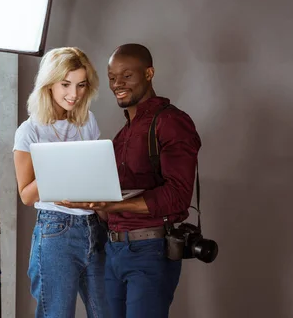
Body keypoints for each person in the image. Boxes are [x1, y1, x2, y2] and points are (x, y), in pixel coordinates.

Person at [59, 43, 202, 318]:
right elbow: (109, 201)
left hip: (151, 251)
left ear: (149, 73)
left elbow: (178, 195)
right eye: (112, 77)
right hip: (113, 251)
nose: (117, 84)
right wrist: (86, 200)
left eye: (127, 76)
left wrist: (111, 205)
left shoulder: (171, 122)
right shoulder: (122, 135)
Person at [13, 46, 109, 318]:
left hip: (94, 227)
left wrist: (107, 211)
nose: (74, 94)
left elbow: (93, 176)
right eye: (65, 84)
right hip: (56, 231)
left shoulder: (87, 121)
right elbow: (26, 195)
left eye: (81, 85)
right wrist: (60, 164)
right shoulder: (29, 131)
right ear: (49, 84)